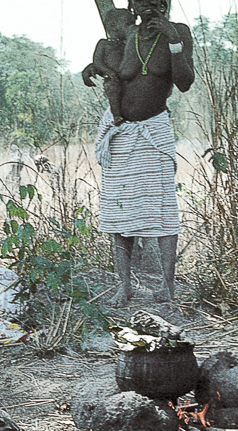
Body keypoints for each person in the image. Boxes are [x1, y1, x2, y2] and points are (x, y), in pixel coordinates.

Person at [94, 0, 194, 306]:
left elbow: (185, 82)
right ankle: (123, 287)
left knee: (163, 212)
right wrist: (94, 65)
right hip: (121, 132)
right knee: (118, 211)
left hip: (153, 131)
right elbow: (117, 69)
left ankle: (167, 288)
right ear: (132, 6)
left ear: (164, 4)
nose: (148, 5)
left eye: (155, 0)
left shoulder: (178, 32)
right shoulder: (129, 34)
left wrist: (173, 41)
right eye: (140, 0)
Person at [82, 9, 136, 126]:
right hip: (112, 78)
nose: (130, 28)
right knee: (114, 89)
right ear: (114, 26)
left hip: (127, 79)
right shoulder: (104, 44)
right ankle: (117, 115)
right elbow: (97, 61)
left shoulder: (128, 44)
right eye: (127, 25)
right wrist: (109, 72)